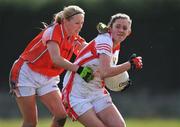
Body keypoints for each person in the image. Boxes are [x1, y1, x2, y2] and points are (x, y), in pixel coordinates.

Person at [9, 5, 93, 127]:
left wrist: (106, 43)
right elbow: (56, 59)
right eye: (77, 23)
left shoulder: (73, 37)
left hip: (48, 77)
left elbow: (88, 50)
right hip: (25, 73)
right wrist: (80, 70)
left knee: (61, 115)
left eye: (82, 23)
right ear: (65, 21)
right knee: (31, 122)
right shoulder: (53, 31)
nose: (80, 26)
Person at [62, 13, 143, 127]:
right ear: (110, 28)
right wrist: (129, 64)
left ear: (129, 32)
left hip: (96, 91)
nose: (121, 30)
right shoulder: (105, 40)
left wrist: (121, 84)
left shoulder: (115, 45)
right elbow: (105, 71)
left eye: (125, 28)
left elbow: (102, 73)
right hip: (76, 93)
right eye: (118, 26)